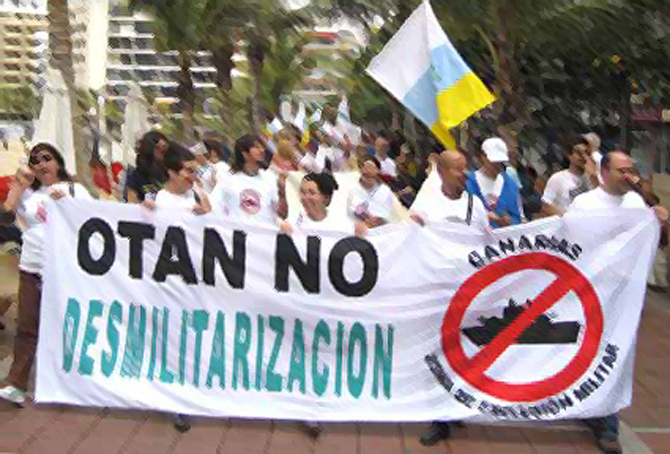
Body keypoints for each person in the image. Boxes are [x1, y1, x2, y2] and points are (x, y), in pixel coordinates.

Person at [568, 151, 668, 454]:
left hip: (626, 297)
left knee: (616, 356)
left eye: (630, 170)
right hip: (591, 294)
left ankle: (607, 424)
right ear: (604, 172)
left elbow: (659, 243)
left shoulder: (637, 204)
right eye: (621, 170)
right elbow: (569, 245)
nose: (628, 175)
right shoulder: (584, 204)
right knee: (586, 352)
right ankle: (589, 407)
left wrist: (662, 223)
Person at [0, 143, 92, 405]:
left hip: (64, 270)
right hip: (31, 267)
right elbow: (6, 217)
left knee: (67, 326)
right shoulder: (30, 194)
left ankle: (73, 384)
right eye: (35, 161)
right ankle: (17, 383)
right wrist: (19, 187)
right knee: (26, 326)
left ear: (58, 162)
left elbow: (93, 223)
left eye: (46, 158)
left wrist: (69, 206)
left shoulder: (76, 190)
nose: (41, 165)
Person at [412, 150, 489, 446]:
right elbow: (410, 233)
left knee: (461, 350)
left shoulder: (475, 205)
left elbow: (486, 241)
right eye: (458, 168)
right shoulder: (427, 202)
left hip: (466, 291)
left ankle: (453, 406)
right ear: (442, 172)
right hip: (435, 291)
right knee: (437, 351)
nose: (464, 173)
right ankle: (439, 417)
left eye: (465, 167)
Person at [211, 134, 288, 224]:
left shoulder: (270, 177)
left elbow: (282, 213)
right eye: (256, 147)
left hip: (268, 230)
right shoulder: (229, 182)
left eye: (262, 146)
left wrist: (282, 192)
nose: (261, 150)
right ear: (245, 153)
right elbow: (215, 209)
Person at [466, 137, 523, 228]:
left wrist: (504, 220)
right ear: (482, 157)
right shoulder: (468, 181)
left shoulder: (510, 185)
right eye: (493, 162)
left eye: (500, 162)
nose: (497, 166)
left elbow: (517, 219)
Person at [541, 137, 598, 216]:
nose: (583, 157)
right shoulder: (558, 178)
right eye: (579, 153)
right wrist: (565, 216)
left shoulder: (593, 179)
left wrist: (593, 175)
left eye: (587, 153)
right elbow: (546, 204)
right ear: (570, 155)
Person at [153, 147, 211, 214]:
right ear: (171, 173)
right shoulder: (164, 203)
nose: (195, 177)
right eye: (190, 170)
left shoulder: (193, 193)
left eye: (196, 171)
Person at [347, 155, 396, 229]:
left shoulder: (384, 191)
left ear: (377, 170)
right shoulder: (352, 184)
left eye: (370, 167)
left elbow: (380, 217)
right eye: (364, 167)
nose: (366, 170)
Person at [123, 131, 170, 203]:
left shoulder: (172, 172)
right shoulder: (136, 176)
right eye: (157, 148)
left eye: (164, 149)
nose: (162, 152)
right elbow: (132, 202)